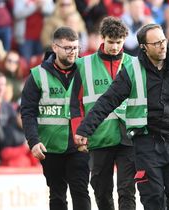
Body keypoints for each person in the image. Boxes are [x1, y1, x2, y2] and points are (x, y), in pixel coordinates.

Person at [74, 23, 169, 210]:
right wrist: (85, 129)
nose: (162, 46)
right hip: (146, 142)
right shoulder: (131, 70)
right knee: (153, 199)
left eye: (163, 41)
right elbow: (107, 101)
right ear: (144, 47)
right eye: (156, 43)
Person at [69, 16, 136, 210]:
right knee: (101, 189)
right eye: (111, 42)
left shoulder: (135, 64)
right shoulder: (83, 65)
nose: (115, 47)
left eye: (119, 42)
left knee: (127, 190)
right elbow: (76, 104)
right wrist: (79, 133)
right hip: (98, 137)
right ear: (102, 38)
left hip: (128, 137)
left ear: (124, 40)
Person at [20, 26, 90, 210]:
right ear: (55, 47)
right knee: (57, 194)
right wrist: (33, 141)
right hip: (49, 146)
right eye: (67, 48)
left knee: (81, 191)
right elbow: (27, 112)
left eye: (75, 47)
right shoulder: (37, 75)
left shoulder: (86, 71)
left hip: (80, 144)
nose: (73, 52)